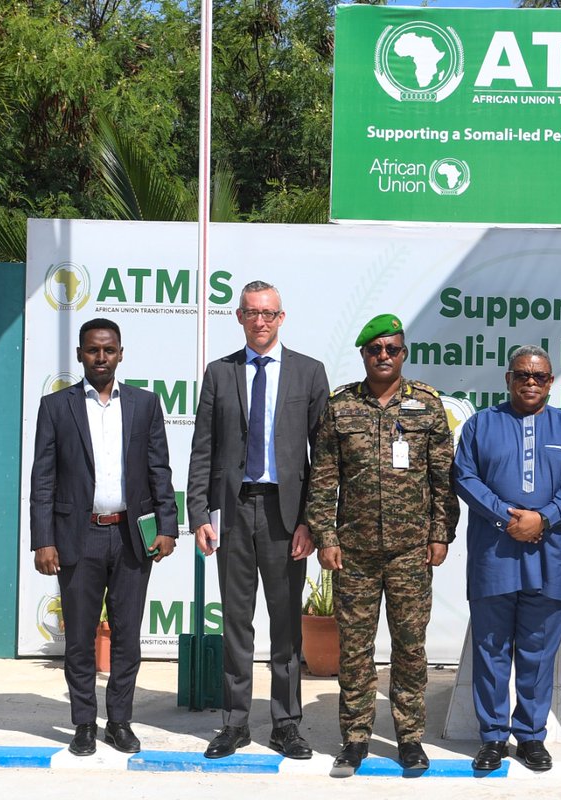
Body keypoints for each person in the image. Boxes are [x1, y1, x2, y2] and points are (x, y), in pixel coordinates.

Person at [305, 313, 459, 777]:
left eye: (392, 349)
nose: (384, 356)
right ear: (364, 354)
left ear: (403, 352)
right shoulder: (340, 407)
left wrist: (440, 533)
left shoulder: (427, 406)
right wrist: (325, 536)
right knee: (354, 647)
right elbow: (323, 478)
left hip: (412, 549)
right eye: (376, 350)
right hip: (354, 550)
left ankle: (409, 737)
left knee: (410, 646)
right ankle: (354, 739)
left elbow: (442, 478)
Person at [187, 280, 329, 760]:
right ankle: (234, 722)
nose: (261, 320)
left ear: (282, 317)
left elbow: (323, 457)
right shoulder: (219, 373)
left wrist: (312, 521)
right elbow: (202, 449)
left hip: (286, 515)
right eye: (252, 312)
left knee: (286, 625)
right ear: (240, 318)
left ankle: (286, 723)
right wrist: (198, 512)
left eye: (268, 312)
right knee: (235, 622)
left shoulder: (309, 373)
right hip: (233, 511)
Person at [30, 318, 178, 756]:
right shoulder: (57, 407)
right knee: (78, 637)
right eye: (92, 350)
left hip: (131, 536)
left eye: (108, 350)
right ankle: (83, 725)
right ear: (80, 355)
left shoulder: (144, 404)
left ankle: (119, 721)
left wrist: (167, 526)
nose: (101, 357)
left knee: (128, 636)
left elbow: (159, 470)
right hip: (79, 537)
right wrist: (43, 539)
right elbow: (43, 479)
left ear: (120, 353)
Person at [451, 345, 561, 773]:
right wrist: (505, 517)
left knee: (538, 651)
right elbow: (464, 475)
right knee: (491, 649)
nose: (531, 383)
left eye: (540, 377)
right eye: (522, 375)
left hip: (549, 557)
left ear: (551, 382)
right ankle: (493, 737)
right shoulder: (481, 425)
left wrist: (542, 519)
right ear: (508, 379)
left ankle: (531, 736)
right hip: (495, 555)